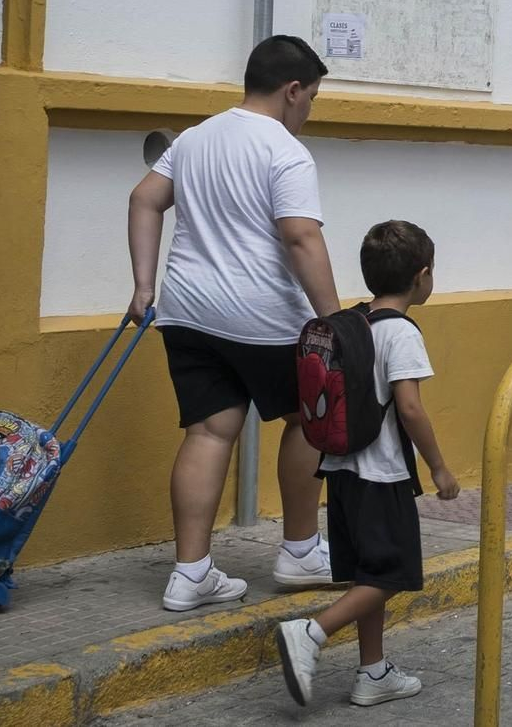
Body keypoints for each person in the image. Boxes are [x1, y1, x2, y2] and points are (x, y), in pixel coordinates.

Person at [127, 35, 340, 611]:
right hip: (262, 317)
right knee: (310, 420)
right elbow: (301, 237)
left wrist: (144, 287)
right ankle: (301, 551)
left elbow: (144, 200)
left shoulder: (194, 139)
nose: (309, 109)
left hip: (187, 313)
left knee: (208, 431)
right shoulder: (286, 151)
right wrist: (335, 321)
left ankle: (191, 573)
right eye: (312, 97)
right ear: (292, 90)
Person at [274, 221, 460, 710]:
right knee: (391, 574)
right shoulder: (401, 333)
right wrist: (439, 468)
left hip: (339, 471)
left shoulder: (353, 322)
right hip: (383, 476)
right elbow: (410, 409)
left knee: (368, 573)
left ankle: (373, 672)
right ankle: (311, 633)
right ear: (422, 276)